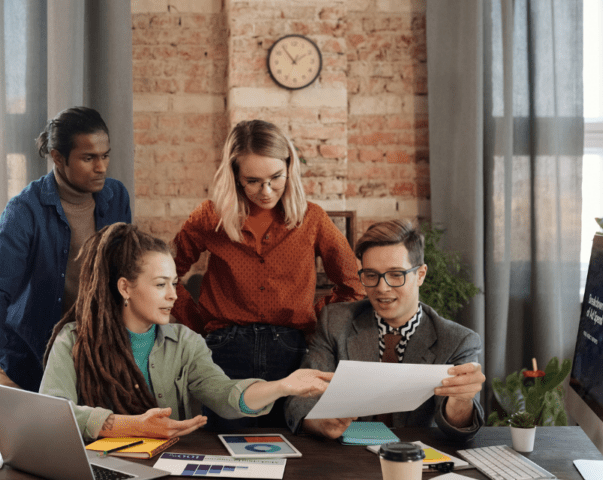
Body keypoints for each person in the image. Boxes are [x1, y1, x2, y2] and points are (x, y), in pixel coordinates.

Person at [40, 223, 333, 440]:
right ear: (125, 287)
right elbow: (52, 414)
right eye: (160, 284)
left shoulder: (186, 343)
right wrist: (131, 425)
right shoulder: (74, 340)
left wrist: (283, 385)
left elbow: (225, 394)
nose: (173, 295)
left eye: (174, 282)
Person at [170, 119, 365, 429]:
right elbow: (167, 275)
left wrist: (312, 317)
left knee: (289, 447)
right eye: (253, 180)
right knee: (225, 447)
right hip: (223, 351)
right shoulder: (210, 217)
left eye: (276, 177)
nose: (266, 190)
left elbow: (354, 286)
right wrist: (198, 324)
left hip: (289, 351)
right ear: (235, 176)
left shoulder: (312, 219)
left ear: (290, 167)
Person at [0, 107, 131, 426]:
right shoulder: (24, 210)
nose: (101, 167)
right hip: (27, 367)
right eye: (89, 158)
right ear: (58, 158)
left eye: (105, 156)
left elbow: (123, 278)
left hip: (93, 368)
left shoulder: (116, 198)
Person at [284, 219, 486, 440]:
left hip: (416, 458)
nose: (382, 288)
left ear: (420, 275)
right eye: (371, 275)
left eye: (396, 274)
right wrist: (318, 422)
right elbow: (300, 398)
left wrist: (462, 399)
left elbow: (458, 430)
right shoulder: (335, 321)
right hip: (346, 457)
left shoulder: (458, 340)